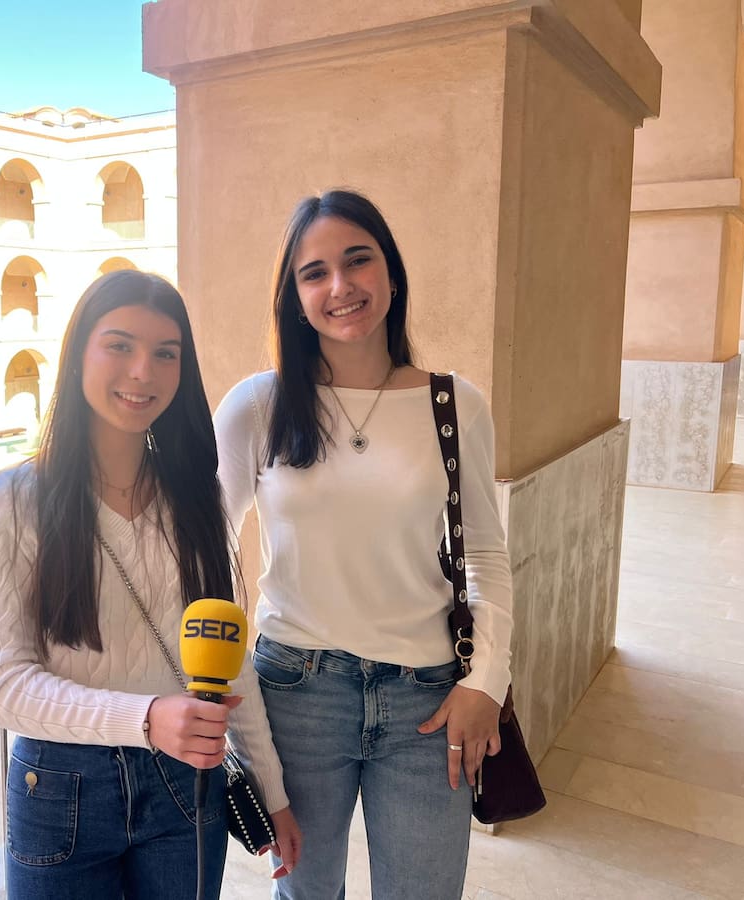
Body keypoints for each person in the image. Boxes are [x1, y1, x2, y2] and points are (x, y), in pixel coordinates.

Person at [214, 189, 514, 899]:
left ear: (392, 274)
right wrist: (225, 690)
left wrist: (485, 686)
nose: (340, 286)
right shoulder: (258, 405)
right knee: (306, 892)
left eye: (358, 261)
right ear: (294, 296)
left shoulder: (452, 404)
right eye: (314, 273)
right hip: (296, 693)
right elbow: (208, 552)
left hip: (428, 699)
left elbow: (487, 557)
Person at [0, 269, 300, 900]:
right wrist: (146, 718)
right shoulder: (12, 503)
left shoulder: (197, 502)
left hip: (186, 781)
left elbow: (231, 666)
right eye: (119, 345)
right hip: (61, 786)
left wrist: (273, 795)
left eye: (165, 353)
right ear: (78, 355)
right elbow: (4, 686)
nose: (143, 371)